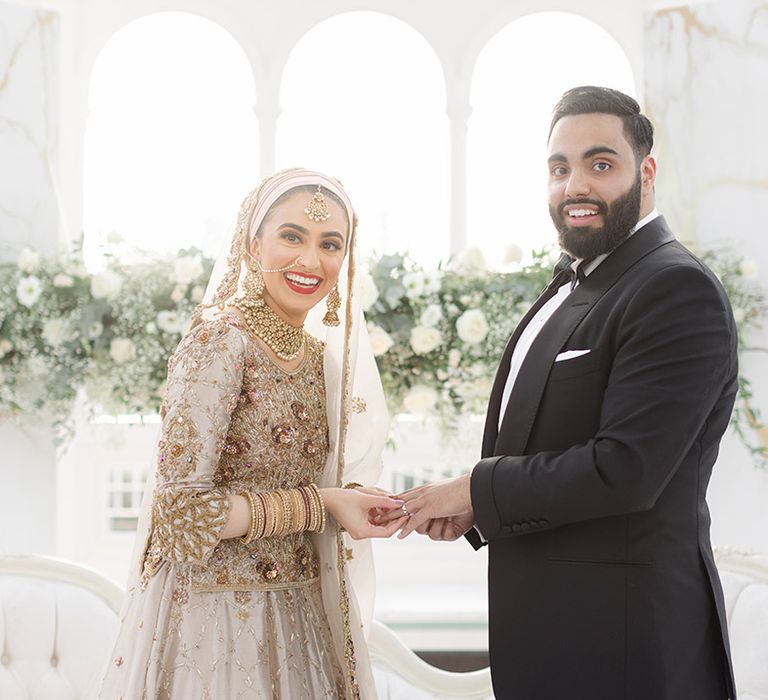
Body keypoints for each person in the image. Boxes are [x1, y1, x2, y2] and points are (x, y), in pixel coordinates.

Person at [391, 87, 738, 699]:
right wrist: (478, 506)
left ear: (646, 172)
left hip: (627, 648)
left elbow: (625, 469)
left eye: (600, 164)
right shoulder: (582, 278)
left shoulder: (674, 289)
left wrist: (476, 488)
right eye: (560, 167)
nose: (575, 184)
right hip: (559, 642)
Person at [99, 168, 407, 699]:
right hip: (213, 625)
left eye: (330, 244)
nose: (311, 261)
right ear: (252, 243)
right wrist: (322, 505)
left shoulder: (316, 359)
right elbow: (181, 517)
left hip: (299, 617)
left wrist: (357, 502)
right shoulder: (221, 343)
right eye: (292, 236)